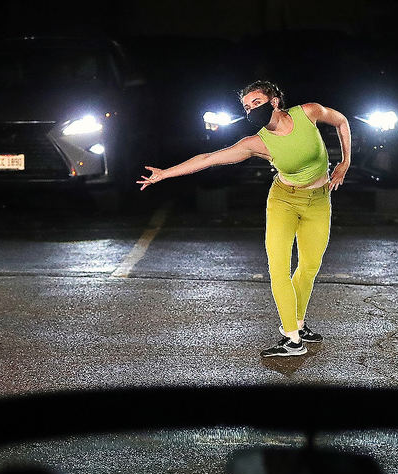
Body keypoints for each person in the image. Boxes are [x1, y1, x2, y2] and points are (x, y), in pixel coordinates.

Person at [137, 80, 350, 357]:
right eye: (247, 107)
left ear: (274, 101)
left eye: (256, 103)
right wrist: (165, 173)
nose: (251, 110)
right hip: (283, 201)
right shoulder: (256, 142)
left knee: (309, 266)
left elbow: (342, 121)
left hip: (320, 199)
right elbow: (208, 158)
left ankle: (298, 323)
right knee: (279, 268)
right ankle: (292, 339)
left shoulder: (308, 112)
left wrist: (345, 161)